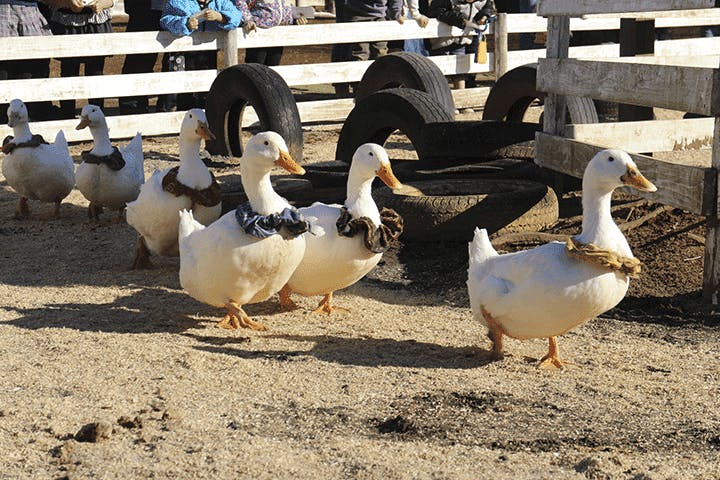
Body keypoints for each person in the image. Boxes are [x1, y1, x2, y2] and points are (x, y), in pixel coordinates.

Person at [160, 0, 242, 110]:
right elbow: (165, 20)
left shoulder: (220, 2)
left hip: (207, 54)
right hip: (181, 54)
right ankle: (175, 120)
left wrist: (220, 17)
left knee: (206, 89)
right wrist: (185, 23)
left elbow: (237, 16)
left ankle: (203, 121)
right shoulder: (178, 2)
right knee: (179, 90)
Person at [45, 0, 114, 119]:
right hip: (67, 21)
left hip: (95, 22)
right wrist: (66, 3)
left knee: (95, 73)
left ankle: (96, 116)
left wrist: (103, 4)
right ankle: (67, 115)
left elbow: (112, 1)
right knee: (69, 72)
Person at [0, 0, 57, 122]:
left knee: (32, 67)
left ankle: (32, 115)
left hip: (28, 13)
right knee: (4, 70)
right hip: (3, 13)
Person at [426, 0, 495, 88]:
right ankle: (440, 94)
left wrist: (484, 15)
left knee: (459, 70)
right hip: (441, 41)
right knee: (439, 72)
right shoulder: (447, 1)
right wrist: (460, 20)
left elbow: (488, 7)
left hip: (462, 40)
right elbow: (437, 12)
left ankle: (462, 93)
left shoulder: (482, 1)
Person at [119, 0, 171, 115]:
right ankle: (133, 107)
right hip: (143, 12)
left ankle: (169, 105)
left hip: (176, 11)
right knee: (138, 61)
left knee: (174, 61)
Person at [235, 0, 308, 67]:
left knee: (273, 67)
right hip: (259, 33)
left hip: (278, 33)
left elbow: (284, 7)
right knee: (256, 67)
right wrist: (247, 19)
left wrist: (295, 19)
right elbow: (240, 2)